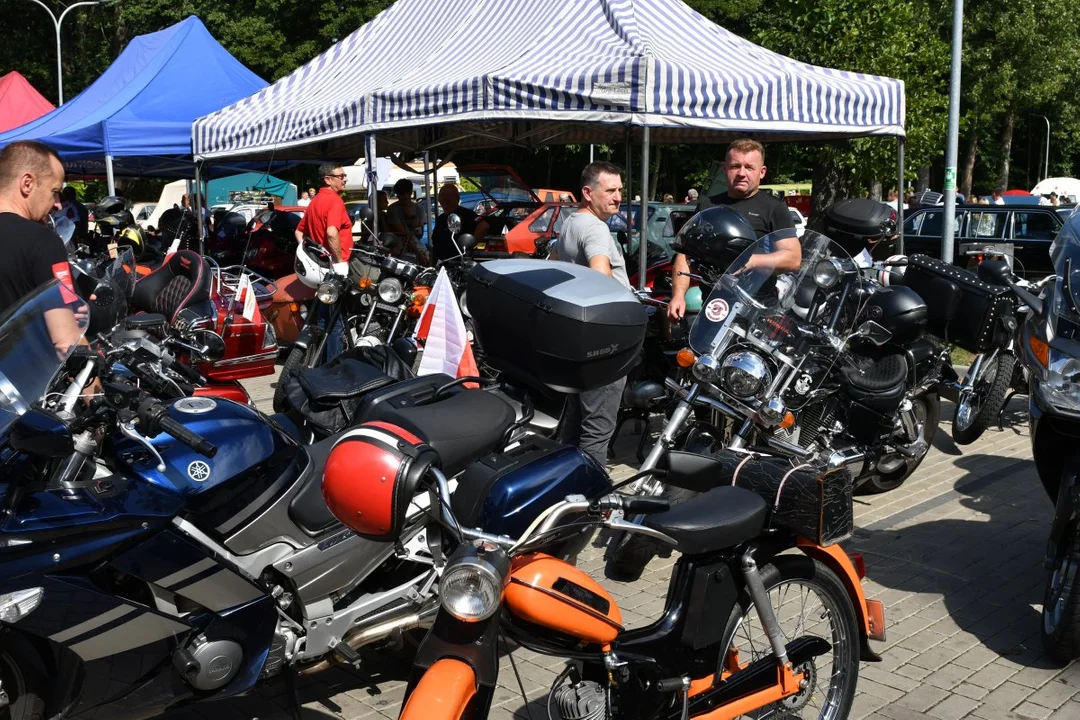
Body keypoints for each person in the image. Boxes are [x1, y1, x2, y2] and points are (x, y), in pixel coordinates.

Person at [667, 139, 798, 322]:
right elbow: (685, 254)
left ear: (762, 172)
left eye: (749, 167)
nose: (741, 173)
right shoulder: (708, 205)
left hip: (759, 309)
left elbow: (793, 258)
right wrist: (678, 295)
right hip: (715, 307)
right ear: (724, 168)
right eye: (735, 166)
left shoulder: (774, 207)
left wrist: (750, 261)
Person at [553, 161, 630, 467]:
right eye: (610, 190)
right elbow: (601, 281)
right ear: (587, 192)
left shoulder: (570, 223)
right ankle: (591, 502)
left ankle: (564, 492)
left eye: (620, 190)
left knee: (575, 422)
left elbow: (553, 266)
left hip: (579, 337)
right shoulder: (596, 229)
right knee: (597, 430)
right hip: (605, 342)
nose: (618, 197)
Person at [0, 141, 88, 357]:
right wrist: (95, 387)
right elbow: (66, 341)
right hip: (21, 382)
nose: (58, 204)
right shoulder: (42, 241)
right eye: (55, 191)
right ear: (27, 183)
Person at [294, 162, 353, 263]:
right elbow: (331, 233)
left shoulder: (315, 201)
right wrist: (340, 263)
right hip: (337, 266)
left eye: (345, 176)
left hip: (321, 263)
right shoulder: (335, 200)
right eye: (341, 176)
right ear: (328, 180)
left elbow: (298, 232)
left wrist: (308, 257)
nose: (345, 179)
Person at [430, 183, 490, 262]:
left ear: (457, 198)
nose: (445, 199)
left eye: (449, 196)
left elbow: (484, 226)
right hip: (440, 264)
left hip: (458, 264)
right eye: (442, 195)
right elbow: (436, 243)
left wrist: (469, 244)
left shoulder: (468, 214)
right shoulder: (440, 219)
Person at [385, 178, 429, 263]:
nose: (400, 197)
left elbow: (420, 234)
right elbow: (403, 235)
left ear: (410, 193)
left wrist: (413, 220)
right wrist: (418, 254)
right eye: (398, 195)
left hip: (417, 245)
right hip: (400, 248)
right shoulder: (393, 209)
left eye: (403, 195)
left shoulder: (419, 209)